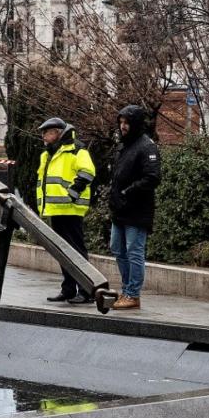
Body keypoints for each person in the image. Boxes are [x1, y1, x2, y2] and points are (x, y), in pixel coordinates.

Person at [34, 117, 97, 305]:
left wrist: (73, 193)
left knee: (76, 251)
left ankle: (87, 291)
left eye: (47, 132)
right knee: (62, 251)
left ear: (58, 133)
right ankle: (68, 289)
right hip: (56, 208)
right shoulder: (48, 154)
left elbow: (88, 172)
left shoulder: (76, 149)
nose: (44, 136)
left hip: (70, 208)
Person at [109, 105, 161, 310]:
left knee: (134, 251)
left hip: (137, 209)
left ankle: (132, 293)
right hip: (120, 209)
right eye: (121, 122)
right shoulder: (124, 145)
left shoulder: (146, 146)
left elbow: (152, 177)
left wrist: (127, 192)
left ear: (136, 124)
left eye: (127, 123)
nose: (123, 126)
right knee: (117, 248)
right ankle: (127, 290)